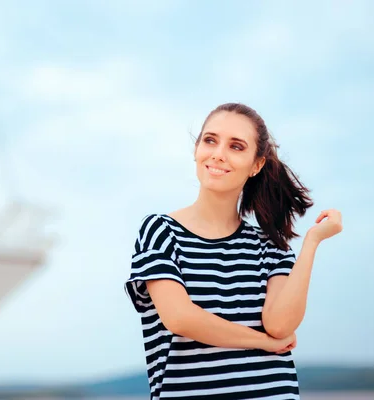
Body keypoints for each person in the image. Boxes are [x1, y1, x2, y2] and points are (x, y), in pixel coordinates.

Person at [124, 103, 342, 399]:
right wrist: (261, 342)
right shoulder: (161, 231)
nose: (218, 154)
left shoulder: (270, 244)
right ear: (196, 149)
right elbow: (180, 318)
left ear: (256, 164)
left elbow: (279, 326)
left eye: (236, 146)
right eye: (210, 140)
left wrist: (312, 243)